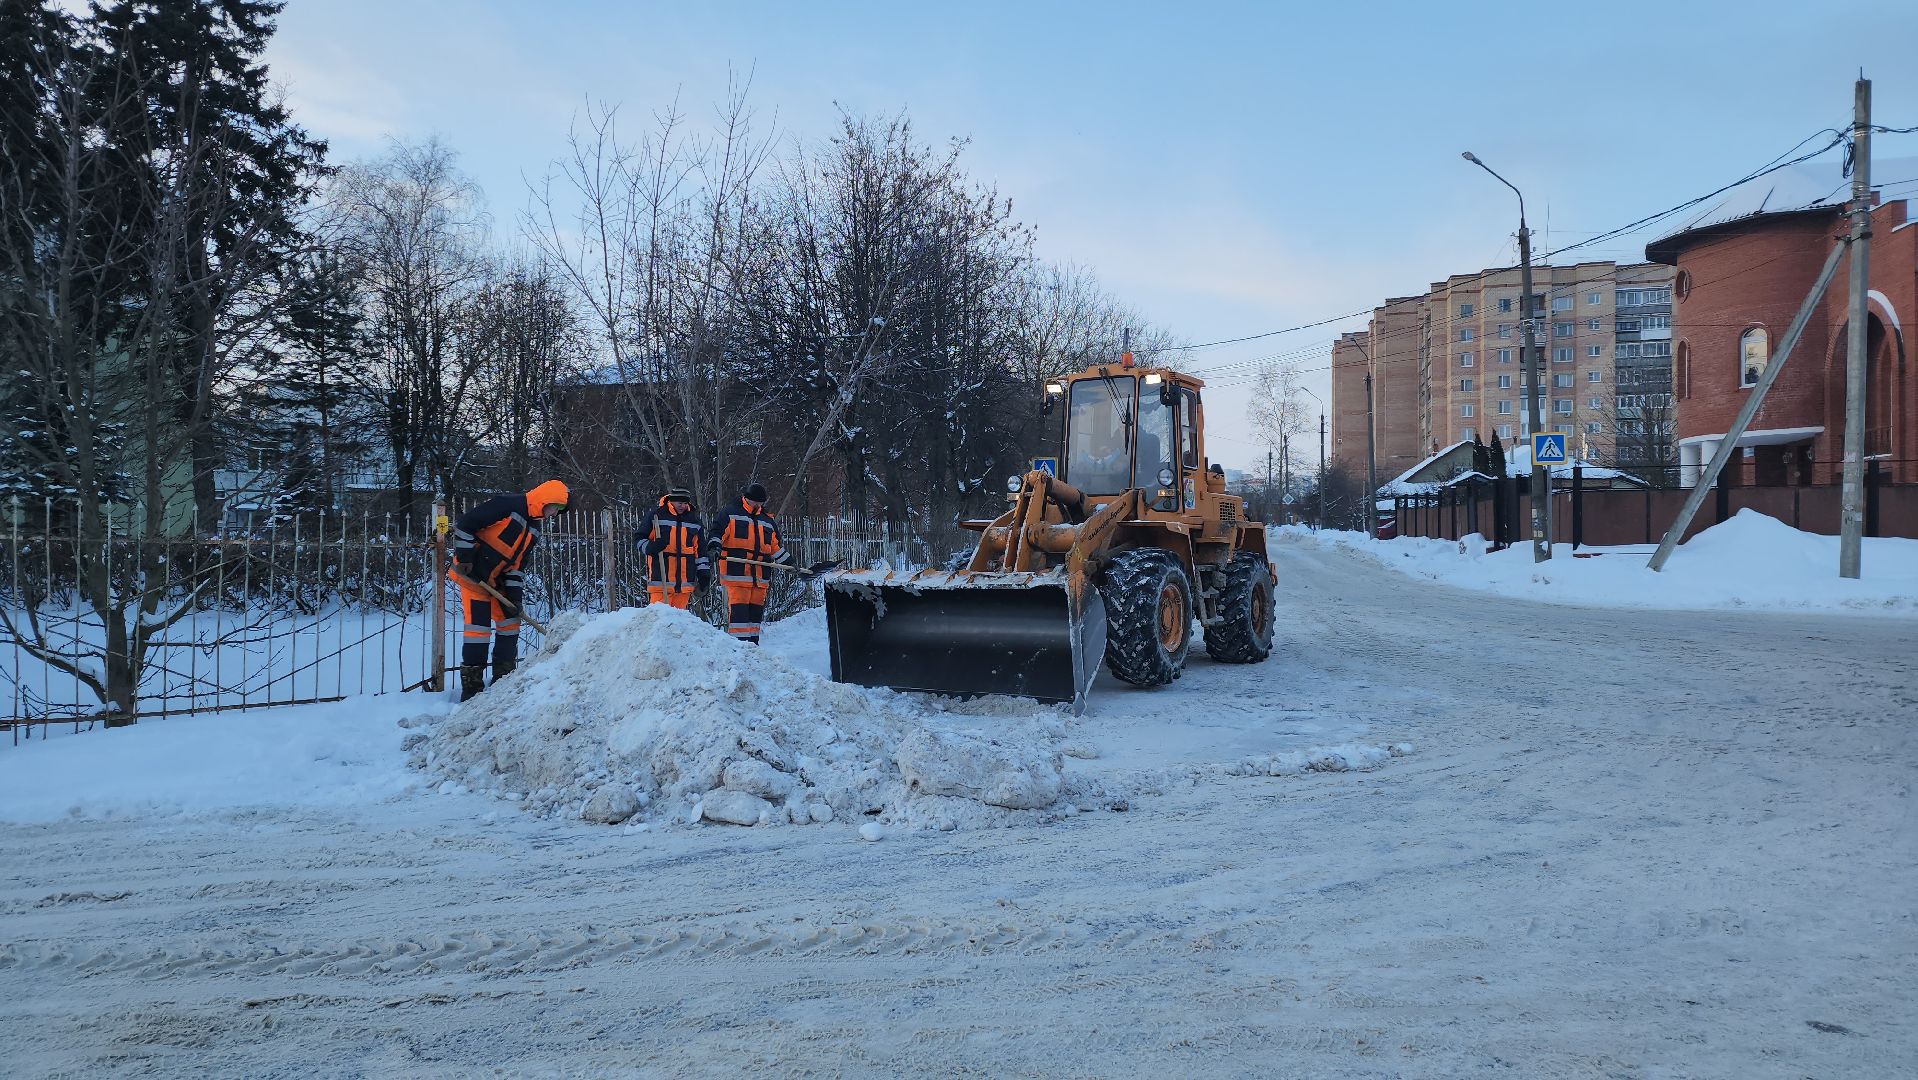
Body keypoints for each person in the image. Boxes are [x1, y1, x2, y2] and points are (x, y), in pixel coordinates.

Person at [449, 479, 569, 702]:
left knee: (510, 623)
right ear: (544, 500)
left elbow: (517, 566)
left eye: (558, 510)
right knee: (478, 629)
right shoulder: (508, 505)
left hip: (497, 581)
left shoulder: (534, 528)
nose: (554, 513)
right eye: (554, 507)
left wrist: (514, 598)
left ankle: (502, 680)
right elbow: (466, 524)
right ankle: (472, 689)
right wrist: (466, 558)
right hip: (473, 575)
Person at [709, 481, 791, 644]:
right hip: (737, 574)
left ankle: (753, 648)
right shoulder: (730, 514)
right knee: (739, 617)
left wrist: (790, 563)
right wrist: (714, 547)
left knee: (755, 617)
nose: (758, 505)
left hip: (760, 578)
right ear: (746, 498)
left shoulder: (767, 521)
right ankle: (739, 648)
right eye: (755, 502)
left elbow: (775, 547)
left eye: (761, 503)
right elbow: (717, 533)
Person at [636, 487, 708, 610]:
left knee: (678, 620)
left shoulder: (694, 521)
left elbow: (700, 551)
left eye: (685, 503)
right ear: (672, 500)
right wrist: (650, 547)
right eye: (680, 503)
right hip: (660, 581)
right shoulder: (656, 516)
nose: (683, 506)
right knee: (658, 618)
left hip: (684, 585)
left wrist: (703, 573)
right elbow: (638, 539)